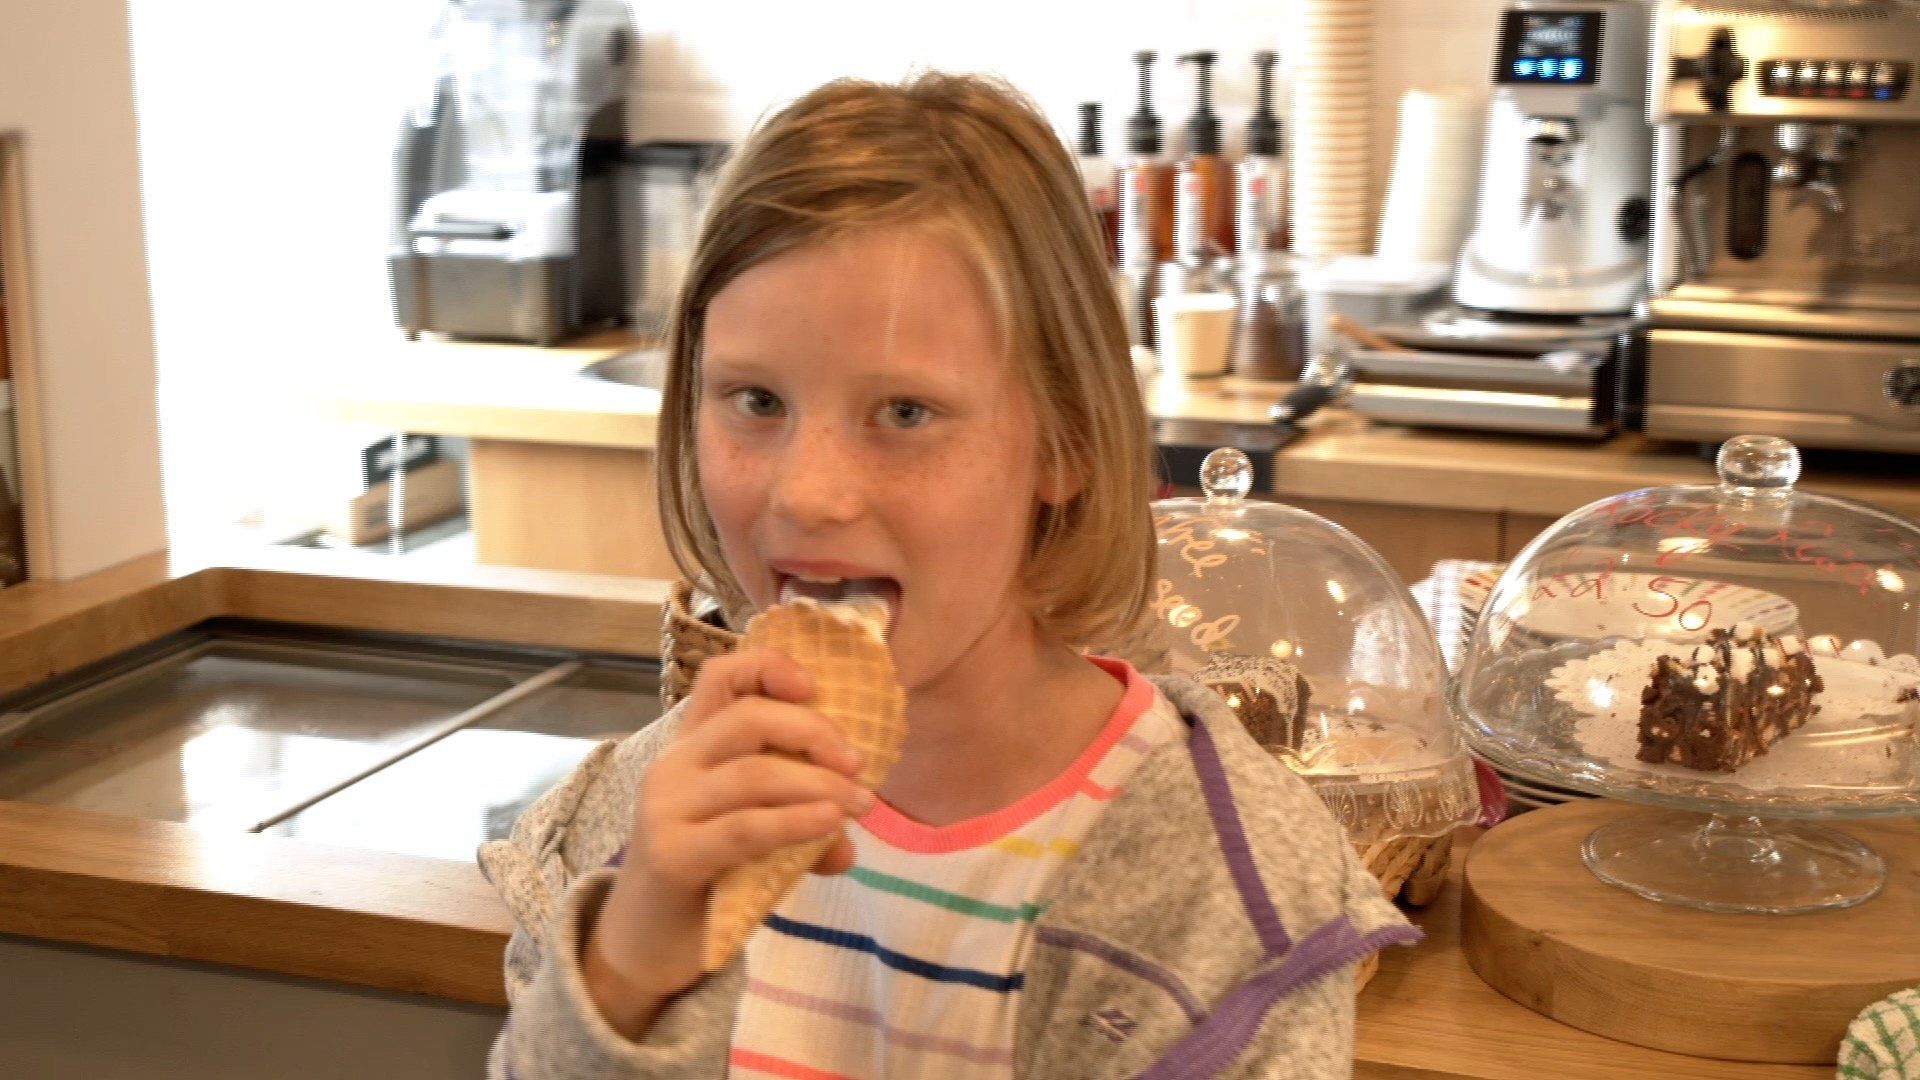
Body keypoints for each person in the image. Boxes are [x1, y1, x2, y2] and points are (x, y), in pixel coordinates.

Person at [479, 71, 1416, 1079]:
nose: (809, 493)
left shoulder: (1224, 901)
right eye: (754, 400)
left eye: (906, 414)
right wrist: (626, 968)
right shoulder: (639, 818)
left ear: (1064, 439)